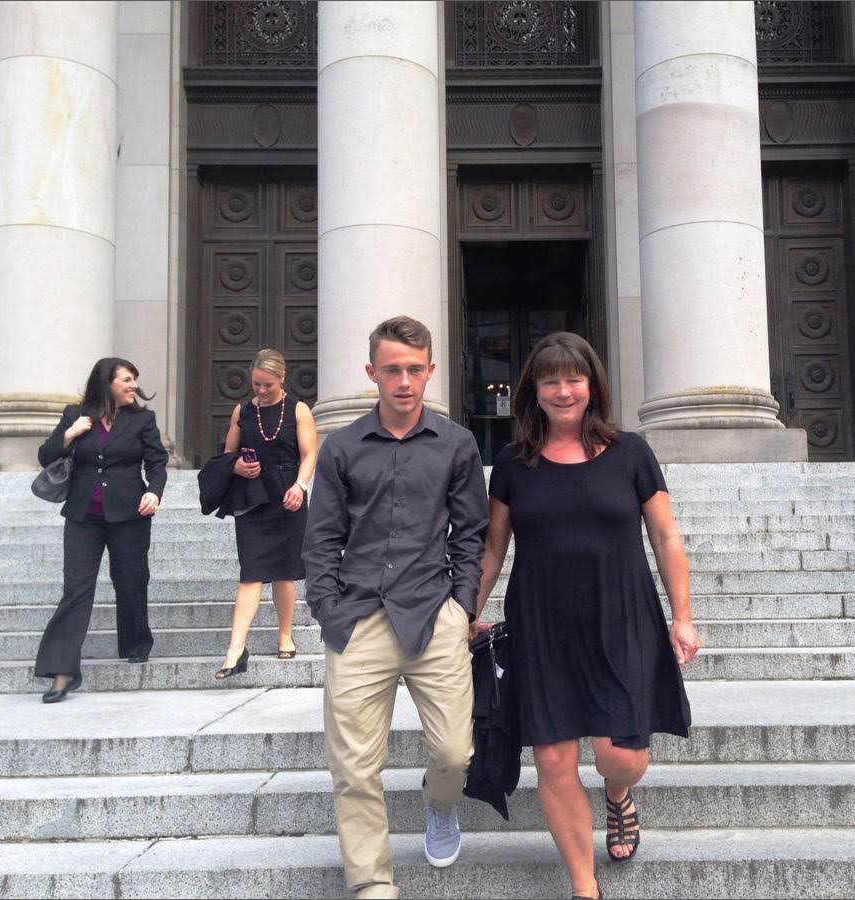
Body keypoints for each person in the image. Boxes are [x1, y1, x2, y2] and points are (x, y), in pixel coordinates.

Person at [471, 331, 700, 900]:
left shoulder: (631, 452)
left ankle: (618, 796)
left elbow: (667, 537)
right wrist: (467, 611)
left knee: (622, 753)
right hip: (543, 623)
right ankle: (583, 884)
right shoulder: (512, 463)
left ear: (592, 384)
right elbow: (493, 549)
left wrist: (683, 615)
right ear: (534, 390)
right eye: (550, 380)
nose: (563, 390)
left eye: (574, 378)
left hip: (622, 615)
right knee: (553, 757)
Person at [303, 316, 488, 900]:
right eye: (392, 370)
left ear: (431, 371)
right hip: (358, 619)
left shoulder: (456, 442)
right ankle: (371, 884)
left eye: (414, 369)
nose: (404, 381)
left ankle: (441, 807)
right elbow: (321, 538)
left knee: (454, 752)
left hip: (433, 613)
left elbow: (471, 533)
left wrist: (461, 605)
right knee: (354, 766)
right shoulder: (341, 448)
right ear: (372, 374)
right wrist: (330, 612)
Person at [34, 357, 168, 703]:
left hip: (129, 513)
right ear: (106, 382)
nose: (133, 385)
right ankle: (62, 673)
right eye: (126, 379)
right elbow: (46, 455)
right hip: (82, 516)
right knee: (76, 589)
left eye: (134, 379)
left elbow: (157, 462)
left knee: (131, 580)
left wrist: (154, 490)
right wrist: (71, 433)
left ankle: (136, 642)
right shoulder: (75, 414)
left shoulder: (143, 419)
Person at [215, 349, 318, 677]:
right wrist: (237, 466)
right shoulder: (242, 410)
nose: (260, 390)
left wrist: (300, 487)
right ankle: (235, 648)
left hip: (288, 495)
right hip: (252, 497)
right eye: (256, 383)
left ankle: (285, 633)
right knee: (251, 573)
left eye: (267, 385)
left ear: (281, 379)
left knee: (285, 573)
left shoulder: (299, 410)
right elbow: (227, 453)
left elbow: (310, 453)